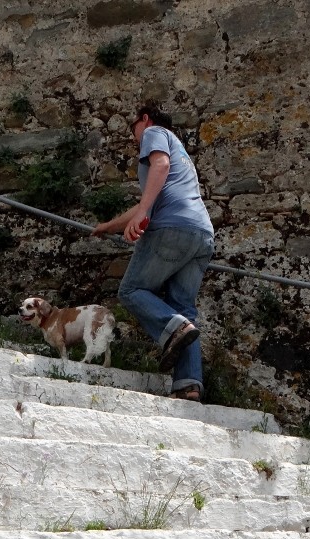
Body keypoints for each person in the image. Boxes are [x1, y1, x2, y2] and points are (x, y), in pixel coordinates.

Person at [92, 103, 214, 402]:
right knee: (182, 309)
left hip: (171, 228)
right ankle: (189, 385)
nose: (134, 136)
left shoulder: (155, 132)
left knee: (132, 290)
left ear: (144, 119)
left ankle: (175, 328)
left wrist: (144, 212)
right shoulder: (182, 153)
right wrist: (109, 226)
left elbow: (159, 167)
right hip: (201, 235)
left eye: (133, 126)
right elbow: (149, 197)